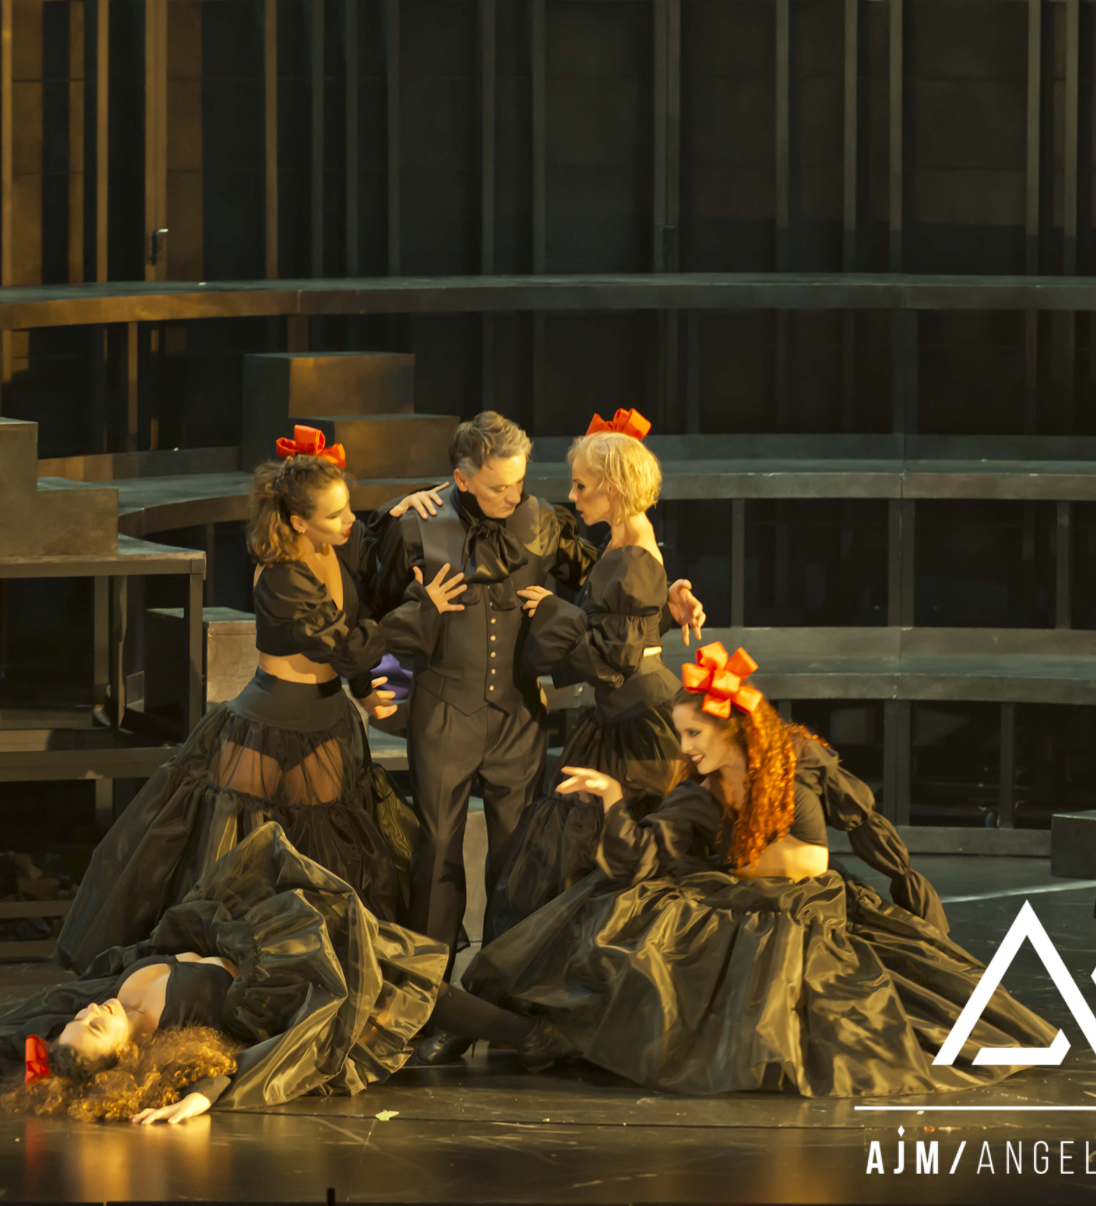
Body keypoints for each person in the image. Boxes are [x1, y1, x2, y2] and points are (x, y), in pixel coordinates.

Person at [461, 643, 1058, 1096]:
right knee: (649, 934)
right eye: (681, 734)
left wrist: (902, 882)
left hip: (808, 902)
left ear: (733, 728)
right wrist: (614, 798)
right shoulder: (698, 794)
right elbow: (637, 859)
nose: (685, 747)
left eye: (694, 733)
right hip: (737, 895)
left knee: (841, 992)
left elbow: (852, 829)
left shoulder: (797, 761)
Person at [56, 430, 465, 973]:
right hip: (270, 725)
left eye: (348, 507)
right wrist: (421, 611)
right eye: (336, 514)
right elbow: (344, 645)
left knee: (328, 856)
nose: (351, 521)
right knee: (246, 859)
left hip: (326, 719)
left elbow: (358, 607)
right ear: (297, 521)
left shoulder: (334, 546)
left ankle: (319, 975)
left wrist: (366, 690)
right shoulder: (281, 577)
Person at [4, 824, 451, 1123]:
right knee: (421, 987)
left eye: (80, 1017)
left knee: (419, 976)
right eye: (96, 1027)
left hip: (265, 935)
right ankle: (493, 1023)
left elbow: (31, 1016)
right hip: (305, 978)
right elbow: (221, 1067)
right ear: (123, 1053)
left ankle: (491, 1021)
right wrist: (198, 1099)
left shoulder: (118, 997)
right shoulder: (172, 1037)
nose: (91, 1010)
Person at [362, 411, 598, 967]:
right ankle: (430, 984)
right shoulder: (418, 525)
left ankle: (503, 980)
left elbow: (603, 582)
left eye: (519, 482)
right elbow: (369, 609)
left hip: (518, 716)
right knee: (438, 851)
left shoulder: (543, 522)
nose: (513, 496)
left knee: (516, 854)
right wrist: (369, 685)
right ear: (461, 479)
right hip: (444, 712)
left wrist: (668, 589)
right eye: (498, 487)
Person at [480, 408, 706, 942]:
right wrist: (666, 609)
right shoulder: (624, 542)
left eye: (582, 486)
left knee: (616, 850)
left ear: (613, 489)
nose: (573, 496)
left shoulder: (631, 557)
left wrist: (553, 611)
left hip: (638, 726)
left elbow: (612, 660)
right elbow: (631, 630)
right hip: (619, 718)